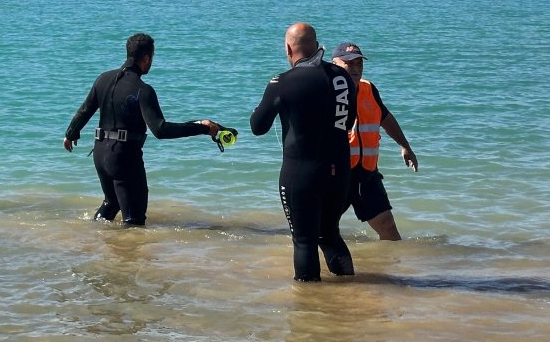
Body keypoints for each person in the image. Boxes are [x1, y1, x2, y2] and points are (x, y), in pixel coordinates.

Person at [63, 33, 225, 227]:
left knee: (111, 203)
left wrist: (70, 134)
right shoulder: (143, 89)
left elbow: (84, 110)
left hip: (100, 153)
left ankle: (94, 238)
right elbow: (160, 129)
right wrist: (203, 129)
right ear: (147, 57)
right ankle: (128, 257)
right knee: (134, 221)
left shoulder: (102, 79)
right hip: (123, 158)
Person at [250, 23, 357, 281]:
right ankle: (350, 290)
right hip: (340, 173)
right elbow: (348, 119)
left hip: (301, 175)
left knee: (304, 241)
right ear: (316, 43)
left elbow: (258, 126)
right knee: (329, 233)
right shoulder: (342, 78)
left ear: (288, 48)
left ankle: (309, 308)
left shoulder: (282, 82)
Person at [330, 42, 419, 241]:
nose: (354, 68)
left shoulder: (368, 89)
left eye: (358, 63)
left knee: (387, 225)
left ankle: (391, 269)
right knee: (321, 230)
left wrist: (405, 145)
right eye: (348, 63)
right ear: (333, 64)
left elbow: (385, 117)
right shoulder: (324, 91)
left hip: (366, 173)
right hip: (335, 174)